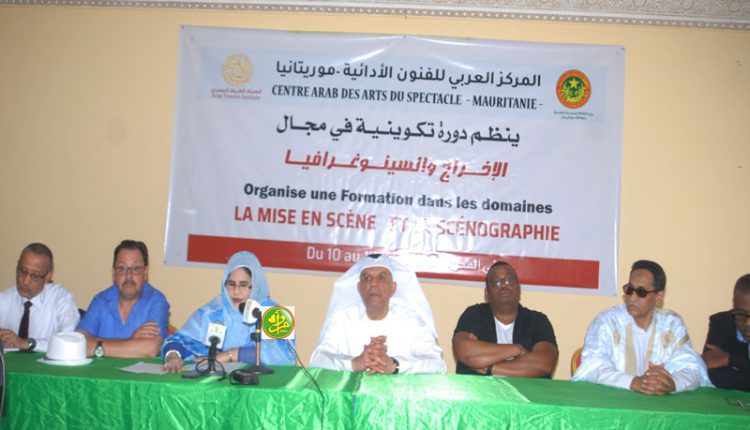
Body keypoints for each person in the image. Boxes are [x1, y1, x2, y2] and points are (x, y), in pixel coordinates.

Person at [573, 259, 711, 394]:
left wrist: (672, 383)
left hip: (660, 405)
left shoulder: (671, 324)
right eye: (629, 289)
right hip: (615, 403)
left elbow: (692, 369)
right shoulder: (608, 322)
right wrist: (634, 382)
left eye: (641, 292)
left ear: (659, 296)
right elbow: (593, 366)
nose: (632, 298)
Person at [310, 254, 446, 374]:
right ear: (359, 287)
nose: (374, 283)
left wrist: (394, 365)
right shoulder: (343, 319)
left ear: (393, 288)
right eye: (367, 278)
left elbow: (438, 364)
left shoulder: (411, 321)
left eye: (382, 277)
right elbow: (317, 360)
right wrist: (354, 363)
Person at [161, 251, 295, 372]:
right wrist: (173, 356)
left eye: (243, 285)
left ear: (256, 285)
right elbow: (180, 340)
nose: (236, 291)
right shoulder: (212, 311)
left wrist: (228, 355)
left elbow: (284, 357)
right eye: (231, 284)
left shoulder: (275, 313)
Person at [452, 261, 558, 377]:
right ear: (487, 293)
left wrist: (490, 368)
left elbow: (544, 364)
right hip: (480, 388)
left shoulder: (537, 320)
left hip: (523, 388)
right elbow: (466, 353)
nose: (503, 286)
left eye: (509, 280)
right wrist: (517, 350)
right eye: (496, 282)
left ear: (519, 289)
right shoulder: (474, 315)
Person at [76, 240, 170, 358]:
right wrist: (130, 341)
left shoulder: (156, 302)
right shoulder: (101, 300)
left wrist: (97, 347)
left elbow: (150, 349)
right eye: (122, 268)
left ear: (145, 272)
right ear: (114, 273)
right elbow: (78, 343)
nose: (128, 275)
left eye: (135, 268)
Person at [0, 243, 79, 352]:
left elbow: (70, 340)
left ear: (48, 277)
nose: (25, 281)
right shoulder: (5, 298)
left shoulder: (61, 299)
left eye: (35, 276)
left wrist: (27, 343)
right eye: (23, 271)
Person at [702, 274, 750, 391]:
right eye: (741, 314)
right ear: (734, 303)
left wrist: (730, 359)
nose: (748, 323)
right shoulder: (721, 323)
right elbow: (714, 376)